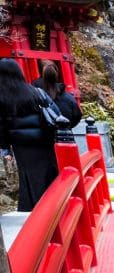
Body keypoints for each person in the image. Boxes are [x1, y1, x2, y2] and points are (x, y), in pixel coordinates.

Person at [0, 59, 58, 211]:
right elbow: (55, 112)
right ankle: (54, 204)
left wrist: (5, 148)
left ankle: (33, 209)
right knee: (48, 172)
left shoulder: (2, 97)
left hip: (21, 145)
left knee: (29, 177)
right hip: (44, 139)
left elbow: (1, 127)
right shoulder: (35, 91)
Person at [35, 63, 82, 128]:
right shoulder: (69, 98)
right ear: (57, 75)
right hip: (65, 135)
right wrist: (66, 128)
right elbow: (77, 116)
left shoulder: (36, 96)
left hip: (42, 135)